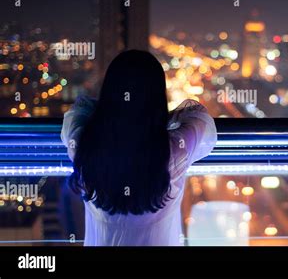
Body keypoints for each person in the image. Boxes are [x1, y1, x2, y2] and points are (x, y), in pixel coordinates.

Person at [61, 50, 217, 246]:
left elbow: (81, 107)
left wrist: (115, 112)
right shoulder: (171, 152)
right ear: (158, 98)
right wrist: (157, 121)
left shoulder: (85, 145)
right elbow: (200, 118)